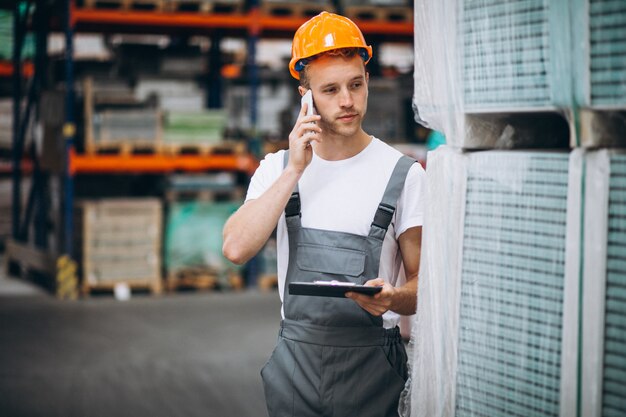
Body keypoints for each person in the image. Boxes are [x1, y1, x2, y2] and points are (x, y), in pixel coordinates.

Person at [222, 11, 425, 417]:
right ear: (306, 96)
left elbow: (426, 286)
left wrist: (393, 297)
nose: (347, 101)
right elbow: (236, 248)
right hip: (295, 369)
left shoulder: (403, 175)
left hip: (373, 372)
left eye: (356, 84)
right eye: (330, 90)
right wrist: (296, 169)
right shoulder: (278, 170)